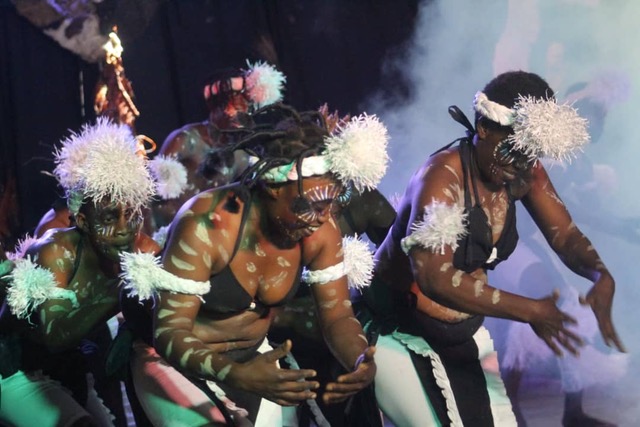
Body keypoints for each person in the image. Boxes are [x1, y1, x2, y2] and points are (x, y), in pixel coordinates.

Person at [361, 70, 625, 427]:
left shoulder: (522, 169)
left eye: (531, 154)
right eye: (515, 149)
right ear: (484, 127)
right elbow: (434, 277)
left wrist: (602, 275)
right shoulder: (441, 178)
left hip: (461, 339)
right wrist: (531, 310)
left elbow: (564, 236)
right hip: (397, 335)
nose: (522, 164)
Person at [120, 103, 387, 425]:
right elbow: (169, 331)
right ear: (272, 188)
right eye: (310, 205)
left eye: (330, 204)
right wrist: (237, 375)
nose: (323, 219)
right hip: (172, 362)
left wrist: (359, 360)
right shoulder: (209, 222)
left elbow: (338, 316)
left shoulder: (320, 230)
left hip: (255, 360)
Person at [1, 118, 159, 426]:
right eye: (111, 217)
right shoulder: (54, 248)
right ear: (84, 221)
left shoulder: (146, 249)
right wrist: (124, 287)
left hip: (69, 368)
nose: (124, 229)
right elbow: (55, 336)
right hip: (12, 369)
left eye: (132, 214)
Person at [151, 61, 286, 231]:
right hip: (165, 232)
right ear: (215, 108)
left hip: (203, 234)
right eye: (236, 107)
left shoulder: (240, 156)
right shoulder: (186, 139)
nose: (242, 115)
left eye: (246, 109)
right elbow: (151, 196)